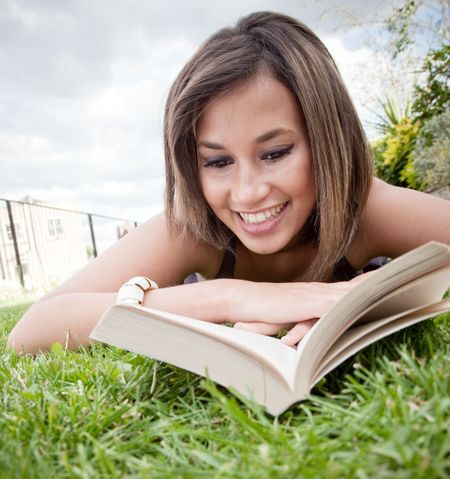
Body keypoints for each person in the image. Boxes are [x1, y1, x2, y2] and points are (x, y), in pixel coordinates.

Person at [8, 11, 450, 354]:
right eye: (218, 161)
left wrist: (368, 294)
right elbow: (31, 331)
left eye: (275, 153)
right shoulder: (193, 223)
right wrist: (230, 298)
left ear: (326, 140)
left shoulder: (365, 207)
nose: (247, 192)